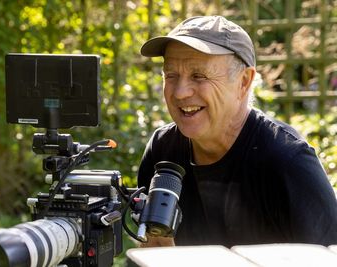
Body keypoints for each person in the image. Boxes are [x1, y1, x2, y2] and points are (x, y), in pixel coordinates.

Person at [137, 15, 337, 248]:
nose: (180, 92)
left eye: (199, 76)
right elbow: (151, 252)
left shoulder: (286, 161)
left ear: (244, 81)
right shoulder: (163, 152)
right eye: (171, 75)